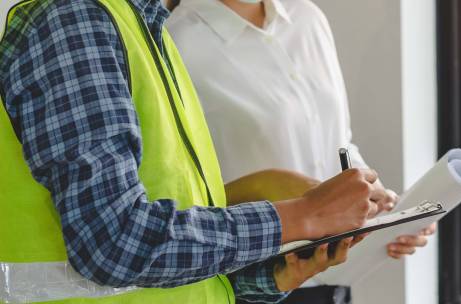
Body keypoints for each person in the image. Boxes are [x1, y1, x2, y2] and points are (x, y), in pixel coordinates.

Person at [0, 1, 382, 303]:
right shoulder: (73, 22)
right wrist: (303, 216)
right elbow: (113, 243)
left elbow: (174, 253)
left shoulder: (148, 30)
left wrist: (274, 275)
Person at [165, 0, 436, 302]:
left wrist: (382, 208)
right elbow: (183, 188)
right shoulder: (177, 39)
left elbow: (339, 141)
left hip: (335, 273)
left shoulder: (307, 17)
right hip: (257, 281)